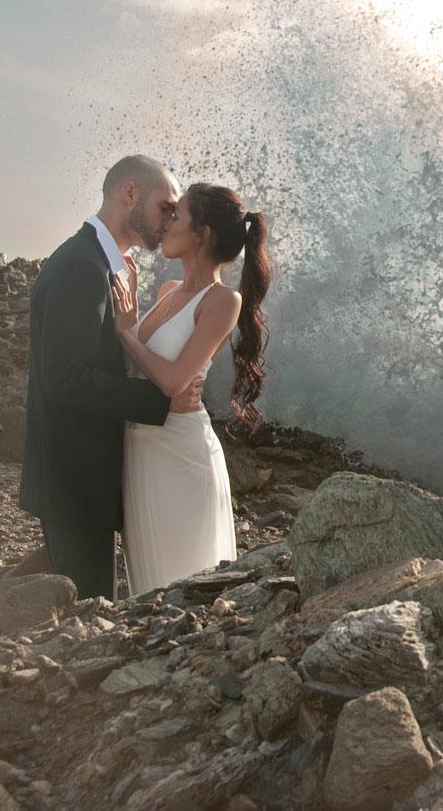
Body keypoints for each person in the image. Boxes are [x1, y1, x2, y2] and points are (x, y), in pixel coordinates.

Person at [19, 155, 204, 600]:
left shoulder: (99, 264)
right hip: (75, 482)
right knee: (86, 615)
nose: (170, 219)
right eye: (166, 206)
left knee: (82, 605)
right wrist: (160, 402)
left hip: (83, 480)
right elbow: (67, 378)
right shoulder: (81, 266)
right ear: (129, 194)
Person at [116, 183, 271, 595]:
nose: (165, 224)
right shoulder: (168, 292)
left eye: (176, 216)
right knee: (148, 588)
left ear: (201, 234)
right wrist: (129, 312)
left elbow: (171, 380)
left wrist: (124, 333)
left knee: (183, 588)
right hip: (142, 448)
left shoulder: (223, 300)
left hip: (182, 454)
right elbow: (145, 367)